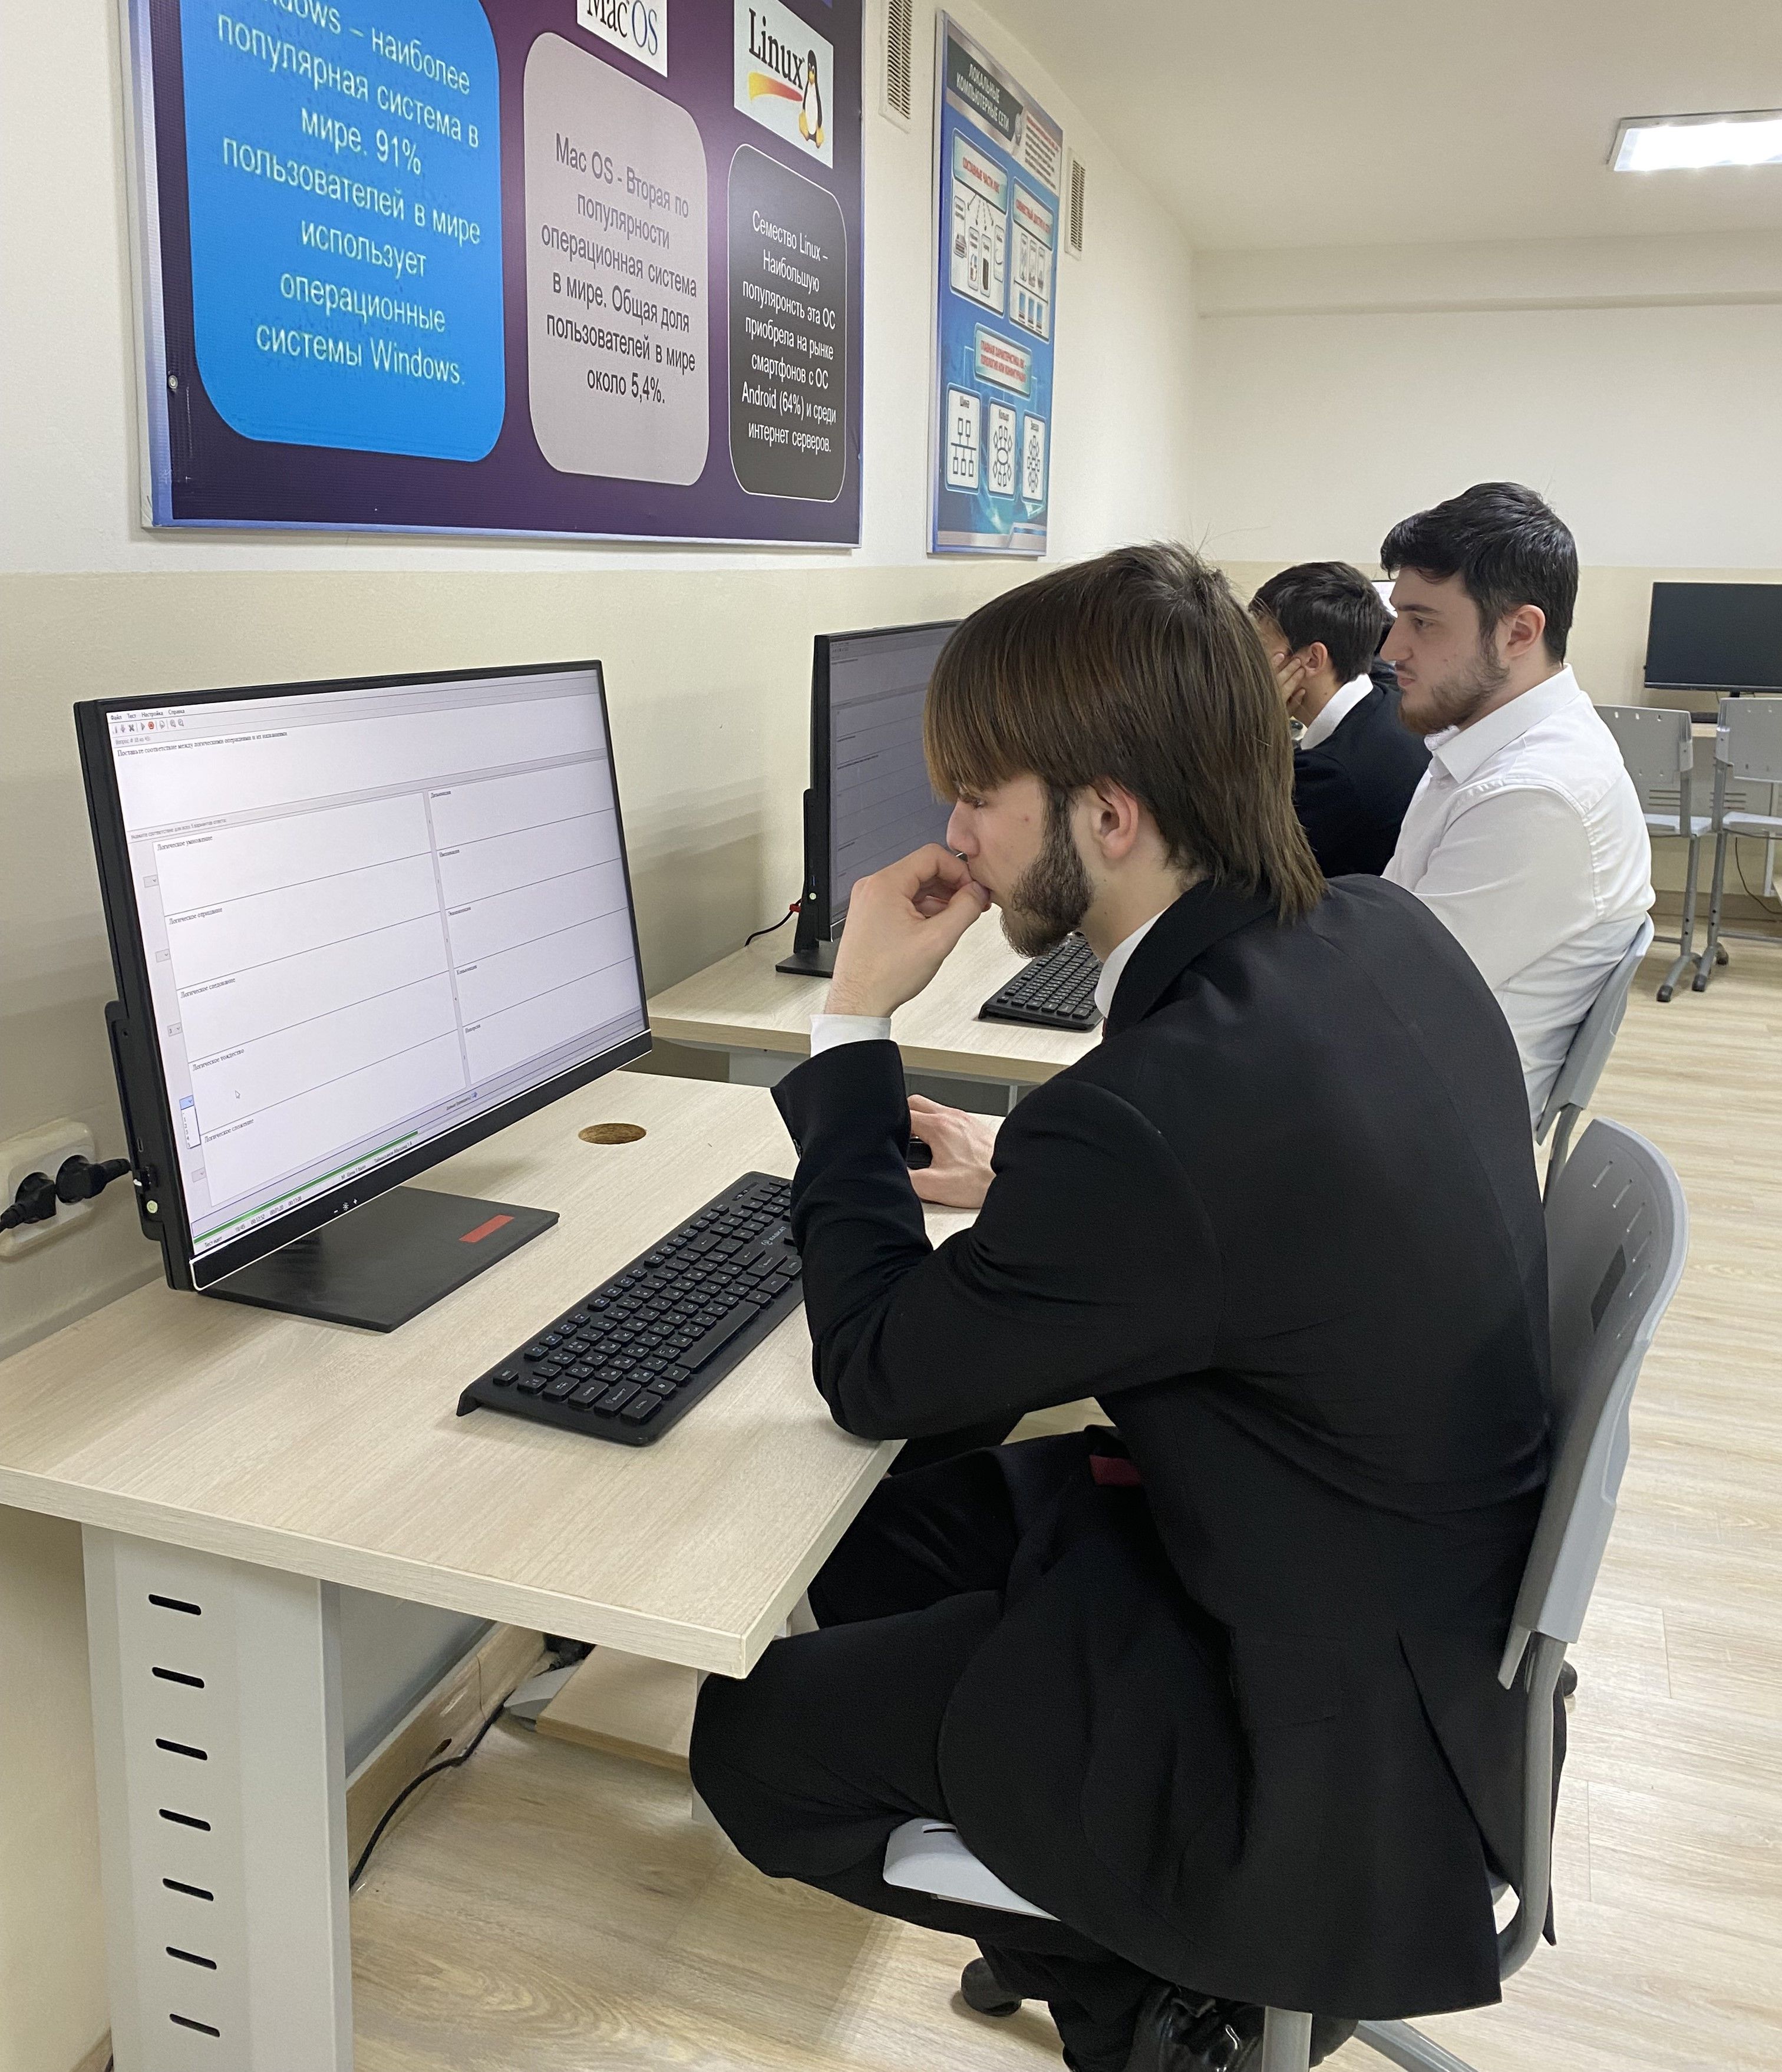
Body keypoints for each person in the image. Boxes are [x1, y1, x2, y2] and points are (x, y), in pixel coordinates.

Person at [689, 545, 1552, 2072]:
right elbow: (1235, 1192)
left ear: (1109, 815)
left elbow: (880, 1371)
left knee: (755, 1742)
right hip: (1399, 1601)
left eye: (977, 797)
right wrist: (1036, 1177)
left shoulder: (1159, 1115)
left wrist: (854, 1022)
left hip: (1321, 1752)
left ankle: (1151, 1993)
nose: (951, 833)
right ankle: (1121, 1943)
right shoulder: (1370, 930)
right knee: (883, 1535)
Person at [1379, 483, 1653, 1118]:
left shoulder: (1535, 795)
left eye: (1422, 622)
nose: (1392, 650)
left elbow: (1383, 997)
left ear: (1519, 632)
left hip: (1421, 1129)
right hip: (1404, 1090)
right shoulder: (1485, 747)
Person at [1249, 561, 1430, 876]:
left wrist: (1259, 726)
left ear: (1312, 659)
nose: (1247, 659)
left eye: (1258, 645)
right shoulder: (1392, 699)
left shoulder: (1328, 777)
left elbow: (1241, 855)